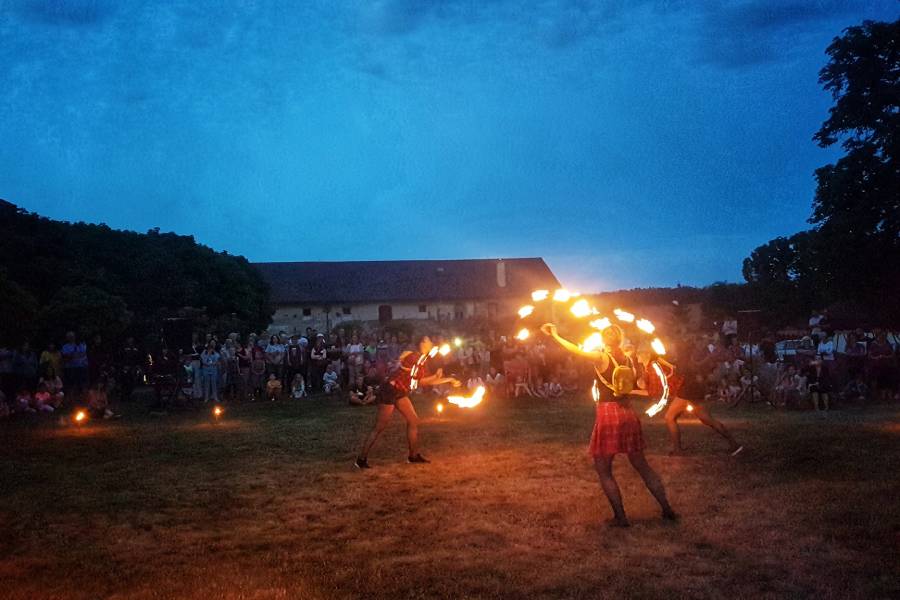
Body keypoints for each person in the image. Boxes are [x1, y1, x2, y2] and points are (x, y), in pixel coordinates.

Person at [541, 323, 677, 527]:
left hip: (608, 415)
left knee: (604, 469)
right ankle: (667, 509)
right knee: (642, 466)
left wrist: (555, 335)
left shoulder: (601, 357)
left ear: (604, 339)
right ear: (620, 339)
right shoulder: (628, 358)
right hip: (628, 414)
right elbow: (636, 383)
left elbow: (575, 349)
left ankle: (621, 518)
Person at [355, 336, 461, 469]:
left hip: (400, 391)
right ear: (422, 343)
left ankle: (413, 456)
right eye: (428, 340)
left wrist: (448, 379)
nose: (432, 343)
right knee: (380, 426)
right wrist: (437, 376)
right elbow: (419, 380)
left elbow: (424, 381)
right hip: (390, 390)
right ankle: (361, 459)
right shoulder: (414, 358)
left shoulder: (422, 361)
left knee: (413, 420)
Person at [638, 349, 743, 456]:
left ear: (646, 354)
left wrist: (631, 391)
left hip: (686, 389)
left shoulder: (653, 367)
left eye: (639, 354)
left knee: (669, 417)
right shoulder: (654, 365)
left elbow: (653, 392)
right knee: (706, 419)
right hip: (690, 386)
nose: (637, 358)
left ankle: (678, 450)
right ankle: (734, 445)